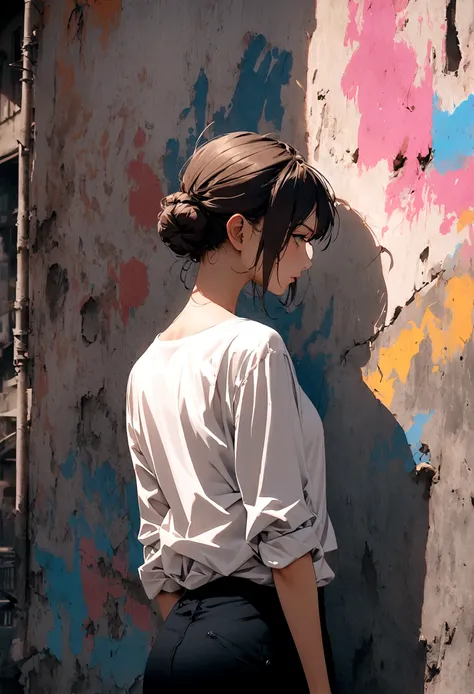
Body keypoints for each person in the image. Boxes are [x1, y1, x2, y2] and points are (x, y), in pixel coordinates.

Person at [126, 131, 338, 693]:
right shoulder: (253, 349)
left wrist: (203, 639)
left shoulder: (144, 371)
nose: (307, 256)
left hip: (177, 652)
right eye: (297, 236)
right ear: (239, 230)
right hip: (258, 642)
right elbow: (286, 548)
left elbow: (155, 555)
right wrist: (319, 686)